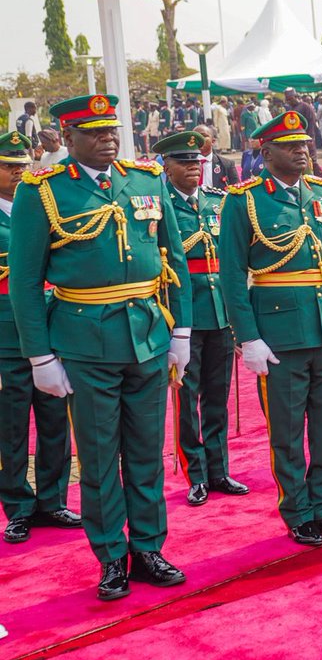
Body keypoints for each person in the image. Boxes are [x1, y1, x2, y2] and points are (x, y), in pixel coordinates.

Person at [9, 93, 192, 600]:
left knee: (145, 454)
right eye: (93, 132)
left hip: (149, 336)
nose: (108, 138)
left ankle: (148, 547)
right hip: (84, 341)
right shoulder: (41, 191)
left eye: (112, 129)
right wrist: (40, 357)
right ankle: (111, 555)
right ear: (67, 138)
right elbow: (25, 282)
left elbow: (173, 256)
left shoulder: (145, 179)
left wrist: (182, 332)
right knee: (97, 456)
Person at [218, 109, 322, 547]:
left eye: (304, 144)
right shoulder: (244, 201)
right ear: (266, 153)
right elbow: (231, 275)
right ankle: (298, 511)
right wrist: (248, 337)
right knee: (286, 432)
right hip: (278, 335)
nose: (302, 151)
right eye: (290, 146)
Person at [153, 131, 249, 507]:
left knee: (217, 397)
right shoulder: (160, 206)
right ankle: (195, 473)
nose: (194, 169)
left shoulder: (216, 202)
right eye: (184, 163)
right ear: (167, 166)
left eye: (197, 162)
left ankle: (219, 469)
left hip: (219, 311)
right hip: (184, 314)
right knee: (187, 398)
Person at [0, 131, 80, 544]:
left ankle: (53, 500)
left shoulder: (43, 205)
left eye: (21, 166)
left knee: (54, 425)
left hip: (50, 332)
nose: (17, 173)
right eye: (8, 167)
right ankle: (17, 506)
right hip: (5, 339)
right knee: (11, 428)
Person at [196, 126, 232, 190]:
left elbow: (237, 191)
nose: (199, 139)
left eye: (203, 136)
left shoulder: (226, 164)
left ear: (213, 141)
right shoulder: (184, 164)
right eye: (196, 136)